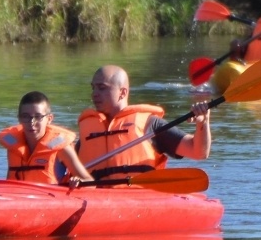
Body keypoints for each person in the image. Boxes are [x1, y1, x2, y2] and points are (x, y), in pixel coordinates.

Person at [77, 66, 211, 181]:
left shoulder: (150, 124)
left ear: (122, 92)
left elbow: (198, 152)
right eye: (93, 88)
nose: (94, 94)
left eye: (102, 88)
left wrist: (203, 123)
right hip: (94, 198)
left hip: (137, 197)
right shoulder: (88, 130)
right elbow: (62, 167)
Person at [0, 91, 93, 184]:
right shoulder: (13, 147)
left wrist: (78, 182)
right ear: (19, 119)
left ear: (49, 119)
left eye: (38, 116)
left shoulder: (62, 148)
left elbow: (89, 181)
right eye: (25, 116)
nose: (32, 122)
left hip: (52, 197)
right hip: (19, 197)